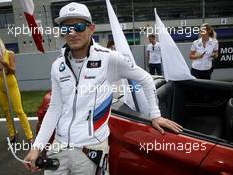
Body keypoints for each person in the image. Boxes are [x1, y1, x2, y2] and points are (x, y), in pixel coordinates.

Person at [23, 2, 182, 174]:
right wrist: (37, 147)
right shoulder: (57, 66)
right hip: (59, 147)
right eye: (66, 28)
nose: (73, 33)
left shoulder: (109, 59)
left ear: (91, 28)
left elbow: (145, 78)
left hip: (90, 148)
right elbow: (55, 108)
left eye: (79, 26)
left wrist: (155, 115)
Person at [0, 33, 33, 142]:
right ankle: (12, 132)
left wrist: (5, 64)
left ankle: (29, 136)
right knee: (6, 111)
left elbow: (13, 70)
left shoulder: (9, 53)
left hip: (11, 84)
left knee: (19, 110)